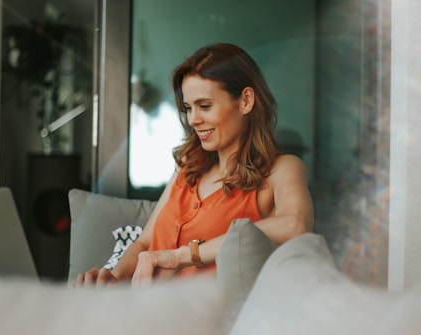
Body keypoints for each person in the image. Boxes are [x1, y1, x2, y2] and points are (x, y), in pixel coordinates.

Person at [75, 42, 314, 286]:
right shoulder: (188, 165)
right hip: (140, 308)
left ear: (245, 101)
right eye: (188, 108)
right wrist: (111, 278)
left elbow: (295, 224)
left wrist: (181, 256)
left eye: (205, 106)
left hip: (198, 316)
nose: (193, 119)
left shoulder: (282, 169)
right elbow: (146, 242)